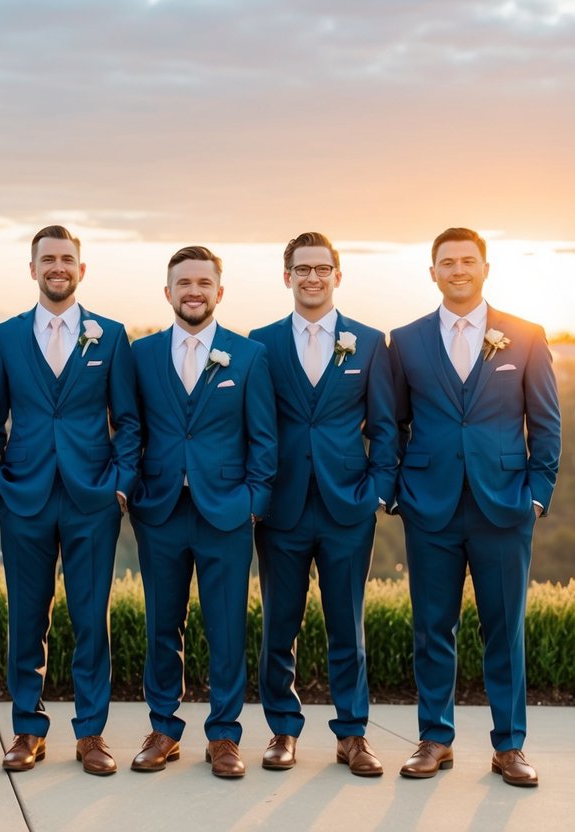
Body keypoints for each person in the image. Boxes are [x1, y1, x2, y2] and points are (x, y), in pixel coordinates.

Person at [389, 227, 560, 787]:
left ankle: (509, 746)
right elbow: (391, 423)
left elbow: (546, 423)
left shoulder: (526, 335)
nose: (457, 269)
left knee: (503, 629)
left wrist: (535, 495)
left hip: (504, 506)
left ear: (485, 267)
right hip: (429, 507)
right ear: (431, 271)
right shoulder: (407, 340)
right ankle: (434, 740)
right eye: (446, 261)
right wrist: (397, 492)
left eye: (467, 260)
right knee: (433, 629)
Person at [0, 225, 140, 776]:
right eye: (47, 259)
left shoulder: (112, 335)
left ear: (82, 269)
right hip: (22, 494)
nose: (58, 267)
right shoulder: (3, 337)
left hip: (92, 498)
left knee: (89, 619)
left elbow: (128, 420)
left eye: (67, 259)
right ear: (33, 270)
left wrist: (119, 484)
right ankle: (27, 729)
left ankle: (92, 733)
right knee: (27, 618)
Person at [248, 232, 395, 776]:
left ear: (338, 274)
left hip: (347, 505)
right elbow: (253, 423)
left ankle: (352, 734)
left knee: (346, 627)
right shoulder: (259, 344)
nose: (312, 277)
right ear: (287, 277)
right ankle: (282, 731)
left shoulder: (370, 342)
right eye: (302, 268)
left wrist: (377, 491)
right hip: (281, 508)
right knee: (278, 627)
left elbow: (384, 426)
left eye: (322, 268)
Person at [128, 245, 276, 778]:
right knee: (162, 625)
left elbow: (264, 439)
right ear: (168, 292)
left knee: (226, 628)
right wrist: (136, 494)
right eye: (183, 282)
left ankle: (224, 736)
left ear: (219, 291)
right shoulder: (140, 355)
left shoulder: (249, 355)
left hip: (227, 514)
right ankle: (164, 729)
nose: (194, 291)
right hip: (161, 511)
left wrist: (253, 506)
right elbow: (131, 428)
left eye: (203, 282)